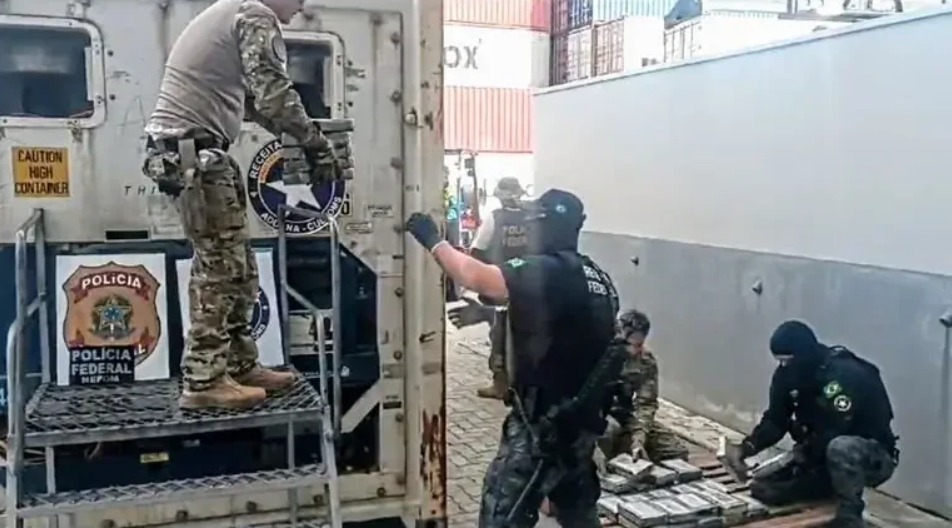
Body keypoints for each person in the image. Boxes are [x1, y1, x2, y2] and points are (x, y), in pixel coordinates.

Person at [142, 0, 353, 410]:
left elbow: (257, 103)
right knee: (219, 267)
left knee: (239, 264)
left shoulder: (233, 14)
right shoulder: (254, 14)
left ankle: (239, 365)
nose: (302, 6)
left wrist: (301, 136)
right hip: (193, 157)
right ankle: (203, 379)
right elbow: (274, 96)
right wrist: (316, 145)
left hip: (200, 154)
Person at [405, 189, 620, 528]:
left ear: (545, 225)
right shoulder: (597, 277)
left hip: (542, 428)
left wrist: (433, 240)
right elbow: (563, 328)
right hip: (580, 426)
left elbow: (476, 277)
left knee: (502, 512)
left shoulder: (548, 270)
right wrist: (487, 314)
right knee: (577, 510)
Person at [722, 320, 898, 528]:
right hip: (818, 451)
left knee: (840, 447)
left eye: (788, 361)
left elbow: (838, 429)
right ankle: (823, 485)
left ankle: (850, 515)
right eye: (780, 361)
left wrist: (803, 455)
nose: (784, 367)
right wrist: (746, 448)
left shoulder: (841, 376)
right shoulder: (786, 375)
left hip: (870, 455)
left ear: (803, 356)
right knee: (765, 487)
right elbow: (775, 420)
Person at [467, 177, 529, 400]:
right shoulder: (531, 218)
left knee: (500, 332)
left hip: (501, 283)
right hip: (529, 283)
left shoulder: (495, 218)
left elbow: (477, 250)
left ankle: (501, 384)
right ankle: (523, 383)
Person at [600, 309, 688, 464]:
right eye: (629, 344)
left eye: (639, 345)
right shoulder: (600, 356)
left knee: (676, 451)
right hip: (600, 416)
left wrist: (639, 438)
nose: (633, 351)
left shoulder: (645, 361)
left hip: (627, 415)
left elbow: (646, 404)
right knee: (604, 441)